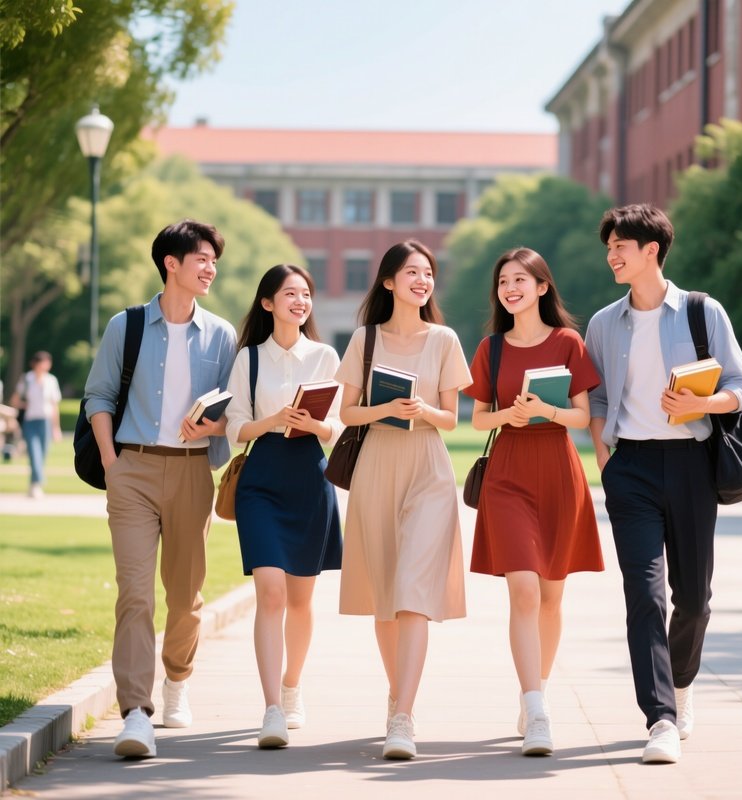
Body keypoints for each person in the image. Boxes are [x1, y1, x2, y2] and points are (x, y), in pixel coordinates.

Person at [585, 204, 742, 764]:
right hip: (630, 469)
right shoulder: (603, 323)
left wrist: (702, 404)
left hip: (691, 466)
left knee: (694, 600)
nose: (612, 256)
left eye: (620, 247)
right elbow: (598, 397)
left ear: (651, 250)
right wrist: (604, 456)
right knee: (644, 594)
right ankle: (659, 717)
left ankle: (681, 684)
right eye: (609, 248)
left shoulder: (703, 312)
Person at [83, 219, 237, 759]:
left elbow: (234, 412)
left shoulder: (221, 335)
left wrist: (212, 428)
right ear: (171, 264)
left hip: (193, 472)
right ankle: (135, 712)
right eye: (202, 259)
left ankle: (177, 678)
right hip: (133, 471)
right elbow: (98, 396)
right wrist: (112, 462)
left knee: (186, 596)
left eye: (214, 261)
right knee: (135, 592)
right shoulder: (125, 326)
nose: (210, 269)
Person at [464, 247, 603, 757]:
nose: (510, 288)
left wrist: (547, 409)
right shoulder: (492, 349)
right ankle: (537, 707)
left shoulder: (568, 342)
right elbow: (479, 419)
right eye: (503, 281)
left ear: (542, 287)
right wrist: (511, 416)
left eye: (520, 279)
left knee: (551, 596)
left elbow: (583, 416)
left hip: (559, 473)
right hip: (508, 474)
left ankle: (534, 693)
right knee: (522, 589)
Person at [336, 240, 471, 760]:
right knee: (385, 596)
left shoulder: (444, 340)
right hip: (376, 467)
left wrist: (420, 409)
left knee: (414, 590)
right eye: (412, 272)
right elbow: (347, 413)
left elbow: (451, 418)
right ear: (389, 281)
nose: (422, 280)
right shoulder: (365, 339)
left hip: (428, 469)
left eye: (428, 273)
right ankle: (398, 695)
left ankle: (403, 716)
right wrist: (384, 408)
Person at [225, 264, 343, 749]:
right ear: (268, 303)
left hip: (310, 477)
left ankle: (293, 686)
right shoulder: (249, 358)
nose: (300, 301)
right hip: (262, 480)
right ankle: (272, 707)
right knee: (270, 592)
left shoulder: (325, 355)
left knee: (300, 599)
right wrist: (273, 418)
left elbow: (339, 426)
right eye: (290, 293)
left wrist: (315, 424)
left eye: (306, 294)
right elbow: (235, 425)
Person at [10, 351, 62, 497]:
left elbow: (54, 406)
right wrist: (24, 404)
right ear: (36, 364)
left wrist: (56, 428)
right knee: (34, 453)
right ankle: (37, 484)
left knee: (42, 454)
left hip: (45, 421)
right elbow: (15, 400)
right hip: (30, 421)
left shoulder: (51, 380)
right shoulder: (27, 379)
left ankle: (34, 484)